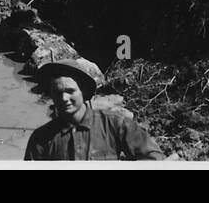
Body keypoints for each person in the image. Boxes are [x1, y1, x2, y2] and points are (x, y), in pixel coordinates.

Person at [24, 60, 163, 161]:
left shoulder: (114, 124)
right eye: (57, 92)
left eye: (70, 91)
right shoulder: (40, 139)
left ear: (83, 92)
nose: (64, 98)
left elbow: (154, 158)